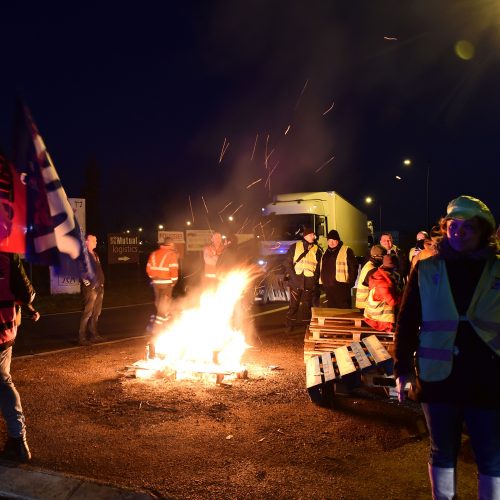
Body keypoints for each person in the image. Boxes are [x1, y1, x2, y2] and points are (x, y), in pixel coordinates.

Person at [394, 195, 500, 499]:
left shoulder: (497, 269)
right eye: (454, 225)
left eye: (468, 227)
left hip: (488, 377)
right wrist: (403, 371)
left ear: (483, 232)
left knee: (492, 455)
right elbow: (407, 321)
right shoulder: (426, 269)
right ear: (445, 228)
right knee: (442, 452)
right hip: (439, 378)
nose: (459, 232)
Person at [0, 253, 39, 463]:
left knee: (3, 383)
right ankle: (17, 440)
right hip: (5, 332)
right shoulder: (8, 257)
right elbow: (26, 294)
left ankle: (18, 440)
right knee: (3, 382)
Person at [283, 227, 322, 332]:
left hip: (309, 282)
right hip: (295, 282)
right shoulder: (295, 247)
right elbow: (287, 263)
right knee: (293, 305)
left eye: (313, 235)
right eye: (311, 235)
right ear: (305, 236)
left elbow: (318, 267)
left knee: (307, 306)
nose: (314, 236)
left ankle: (306, 327)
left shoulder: (317, 249)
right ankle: (289, 326)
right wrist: (293, 276)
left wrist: (314, 280)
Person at [146, 237, 179, 335]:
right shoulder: (172, 254)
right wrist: (174, 281)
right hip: (167, 283)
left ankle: (167, 323)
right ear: (171, 244)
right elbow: (174, 269)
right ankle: (157, 330)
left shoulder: (154, 254)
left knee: (159, 304)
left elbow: (148, 269)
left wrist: (154, 277)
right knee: (163, 307)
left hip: (156, 283)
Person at [319, 229, 358, 308]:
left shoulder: (346, 250)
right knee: (332, 309)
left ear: (338, 240)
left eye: (334, 240)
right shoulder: (326, 252)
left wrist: (351, 282)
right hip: (328, 286)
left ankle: (346, 321)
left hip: (341, 286)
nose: (331, 242)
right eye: (329, 240)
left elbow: (354, 267)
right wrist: (321, 283)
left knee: (344, 308)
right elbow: (322, 268)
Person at [363, 254, 402, 332]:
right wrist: (403, 298)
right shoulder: (383, 283)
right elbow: (392, 302)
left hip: (373, 314)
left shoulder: (379, 273)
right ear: (393, 267)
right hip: (379, 319)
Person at [78, 233, 105, 346]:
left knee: (96, 312)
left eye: (96, 240)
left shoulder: (95, 254)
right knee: (87, 313)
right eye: (94, 240)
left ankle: (94, 335)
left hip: (100, 287)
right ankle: (82, 338)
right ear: (86, 242)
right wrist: (88, 284)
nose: (96, 242)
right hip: (91, 289)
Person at [355, 244, 387, 311]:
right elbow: (379, 289)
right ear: (377, 256)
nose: (385, 259)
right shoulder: (372, 270)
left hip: (364, 303)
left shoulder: (370, 264)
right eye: (384, 256)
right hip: (366, 305)